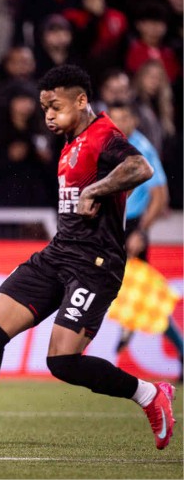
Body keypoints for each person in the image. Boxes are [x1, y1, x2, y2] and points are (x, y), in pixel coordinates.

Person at [0, 64, 174, 463]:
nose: (47, 114)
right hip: (58, 252)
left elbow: (142, 168)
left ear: (82, 101)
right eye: (44, 106)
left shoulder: (103, 135)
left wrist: (97, 188)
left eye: (56, 106)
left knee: (62, 362)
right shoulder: (70, 141)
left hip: (95, 263)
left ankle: (150, 394)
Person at [106, 101, 183, 383]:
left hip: (132, 228)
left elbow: (160, 195)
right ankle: (127, 326)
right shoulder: (107, 143)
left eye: (125, 118)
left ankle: (178, 348)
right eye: (116, 119)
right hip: (114, 225)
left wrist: (142, 232)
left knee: (142, 293)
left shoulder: (141, 147)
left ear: (134, 120)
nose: (121, 124)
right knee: (125, 287)